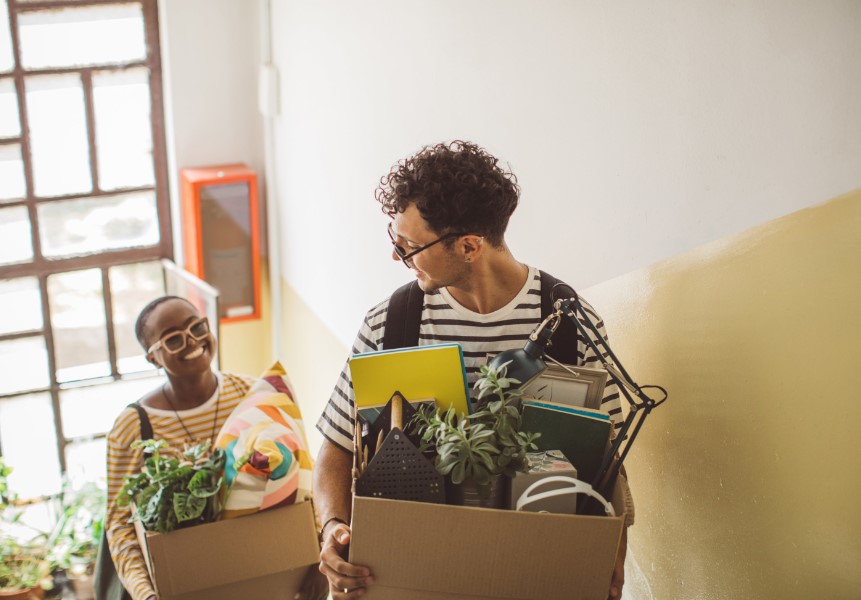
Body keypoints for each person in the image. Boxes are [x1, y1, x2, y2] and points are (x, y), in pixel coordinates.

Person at [314, 140, 629, 600]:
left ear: (468, 246)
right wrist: (333, 528)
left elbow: (611, 461)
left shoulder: (569, 324)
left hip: (533, 576)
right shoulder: (391, 322)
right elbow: (336, 449)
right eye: (395, 241)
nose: (397, 257)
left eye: (409, 246)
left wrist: (609, 557)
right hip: (416, 576)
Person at [104, 296, 327, 600]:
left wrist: (319, 556)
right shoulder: (132, 427)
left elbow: (304, 474)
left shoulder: (250, 394)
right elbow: (119, 523)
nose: (192, 340)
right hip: (184, 584)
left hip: (263, 573)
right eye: (173, 339)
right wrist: (145, 594)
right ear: (153, 358)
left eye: (197, 326)